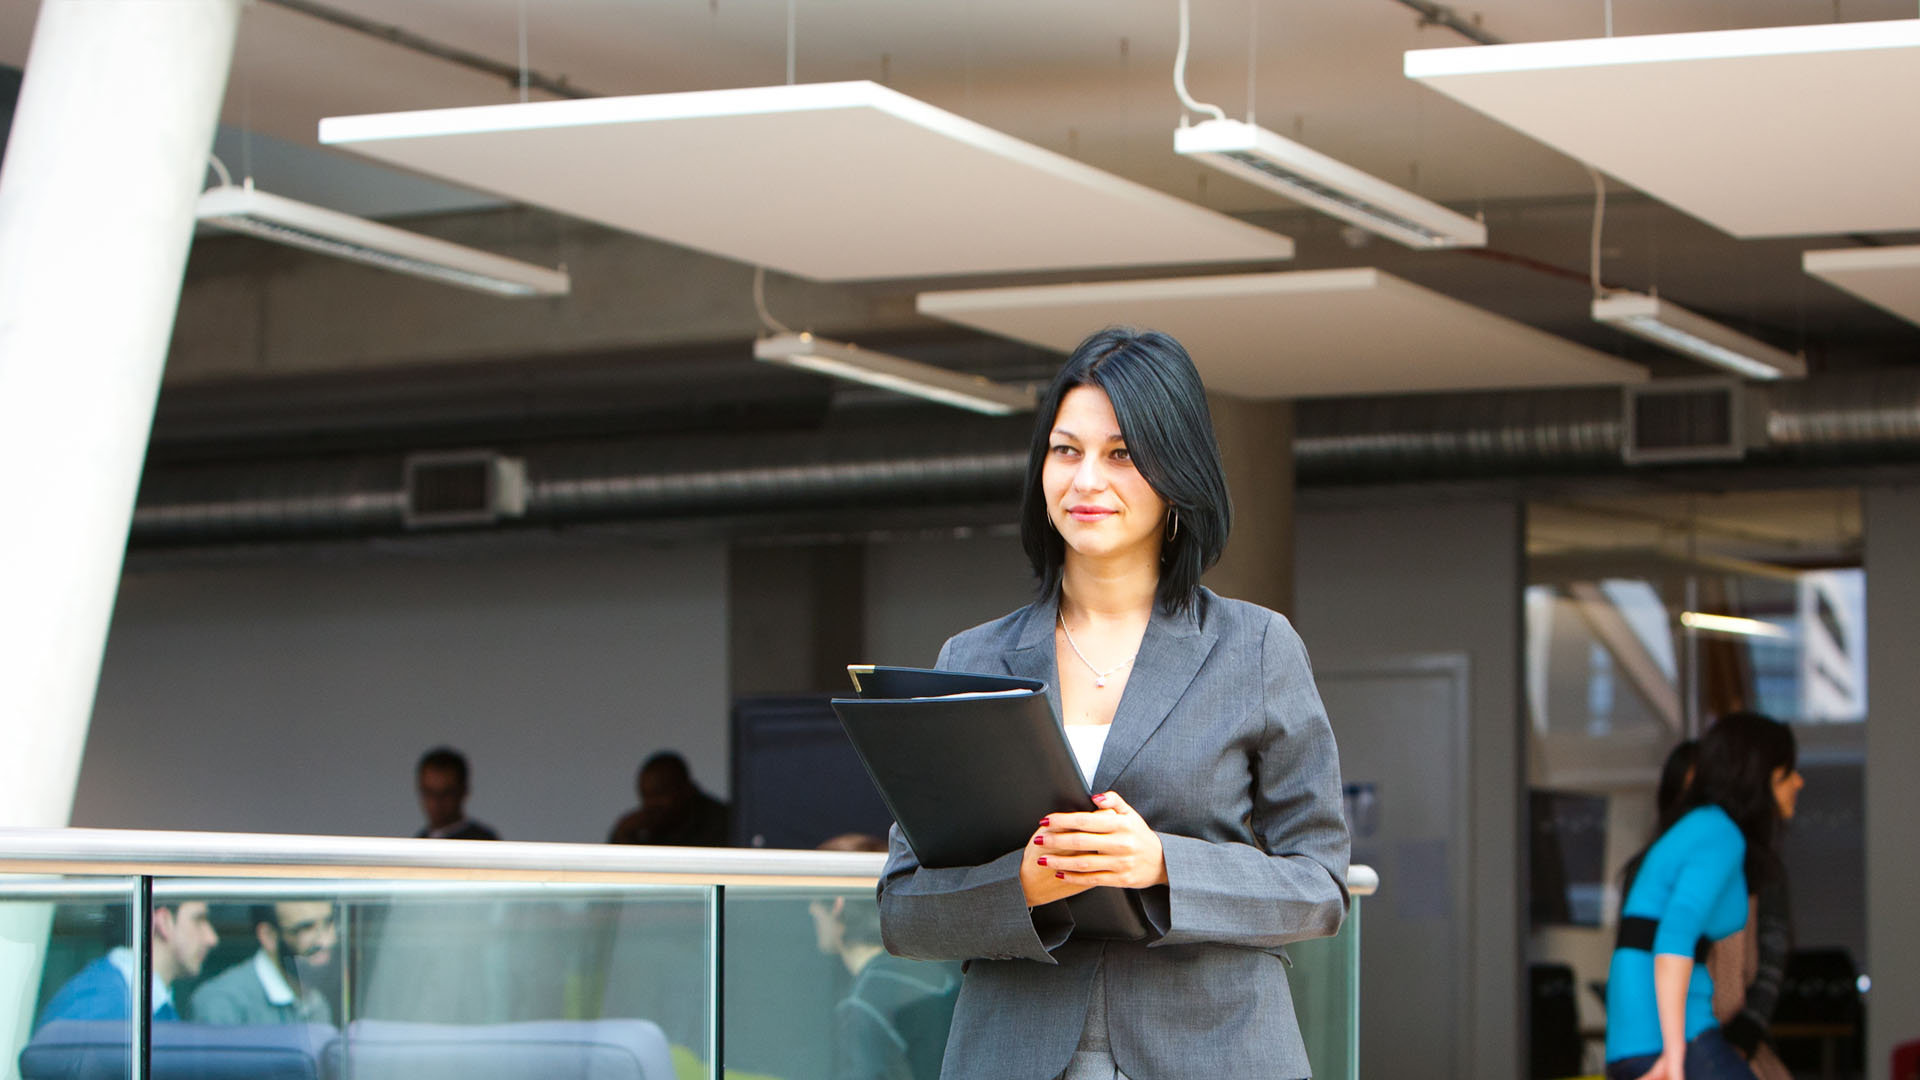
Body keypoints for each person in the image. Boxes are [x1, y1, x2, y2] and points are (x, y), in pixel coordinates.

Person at [876, 328, 1350, 1080]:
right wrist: (1022, 886)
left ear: (1176, 470)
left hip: (1216, 1053)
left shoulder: (1255, 648)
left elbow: (1319, 889)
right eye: (1066, 451)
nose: (1085, 480)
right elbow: (904, 909)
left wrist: (1161, 864)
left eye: (1121, 454)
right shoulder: (970, 660)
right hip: (1015, 1053)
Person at [1605, 713, 1803, 1080]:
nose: (1798, 782)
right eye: (1787, 772)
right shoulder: (1719, 833)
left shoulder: (1701, 833)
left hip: (1642, 1039)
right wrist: (1675, 1055)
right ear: (1763, 778)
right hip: (1676, 1038)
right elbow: (1673, 937)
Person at [1656, 740, 1795, 1080]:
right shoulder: (1658, 871)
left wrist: (1744, 1033)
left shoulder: (1750, 865)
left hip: (1731, 1042)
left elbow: (1770, 961)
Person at [812, 834, 960, 1080]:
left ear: (837, 905)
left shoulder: (862, 1005)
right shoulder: (935, 974)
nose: (810, 909)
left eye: (815, 900)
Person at [37, 901, 218, 1026]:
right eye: (199, 919)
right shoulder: (100, 1005)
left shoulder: (148, 1003)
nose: (212, 938)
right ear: (164, 921)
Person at [190, 901, 337, 1026]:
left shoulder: (318, 1001)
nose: (326, 941)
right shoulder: (222, 1004)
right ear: (268, 936)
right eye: (306, 928)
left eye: (329, 923)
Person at [606, 751, 730, 847]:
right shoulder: (649, 826)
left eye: (659, 794)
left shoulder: (725, 824)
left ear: (686, 789)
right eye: (645, 795)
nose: (651, 804)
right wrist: (624, 837)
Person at [415, 746, 500, 840]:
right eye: (429, 793)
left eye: (446, 794)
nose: (436, 802)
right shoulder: (418, 841)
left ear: (463, 792)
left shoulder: (482, 842)